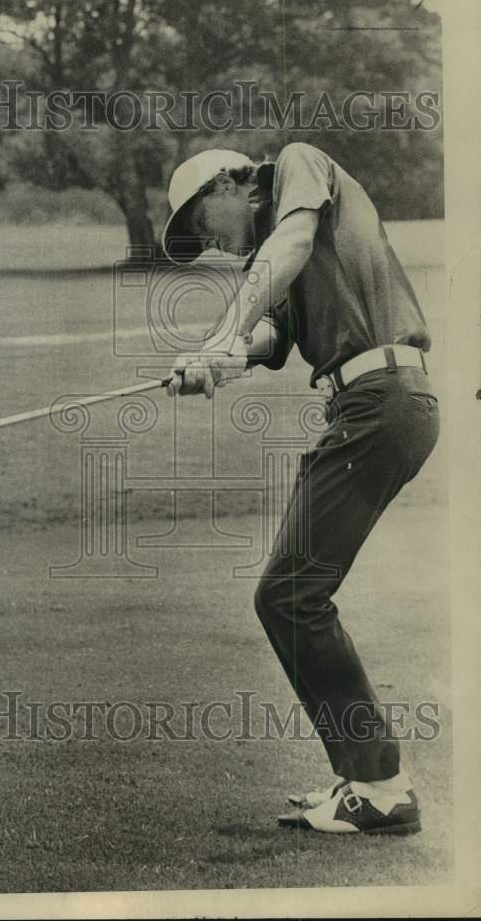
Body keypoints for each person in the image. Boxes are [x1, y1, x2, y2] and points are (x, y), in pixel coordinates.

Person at [162, 144, 439, 835]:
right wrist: (208, 361)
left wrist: (221, 337)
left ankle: (379, 786)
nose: (210, 245)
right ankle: (365, 779)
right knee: (289, 595)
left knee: (290, 595)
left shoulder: (295, 165)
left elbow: (286, 241)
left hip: (381, 400)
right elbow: (265, 337)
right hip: (371, 407)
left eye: (203, 223)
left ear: (233, 183)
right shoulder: (286, 267)